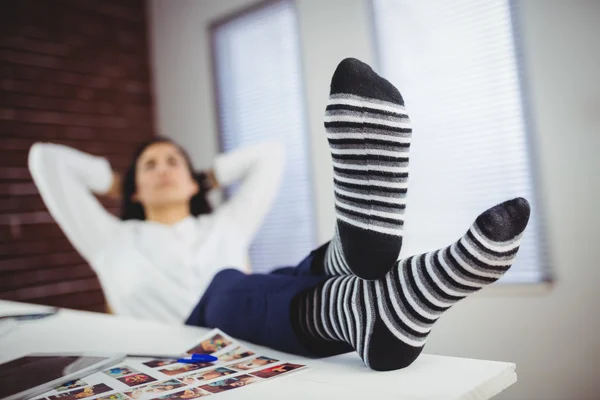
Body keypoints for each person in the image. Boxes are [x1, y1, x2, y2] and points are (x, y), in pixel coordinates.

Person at [30, 58, 531, 371]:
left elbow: (269, 153)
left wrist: (208, 176)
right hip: (193, 332)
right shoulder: (110, 237)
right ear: (133, 183)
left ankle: (356, 259)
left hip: (260, 303)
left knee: (279, 276)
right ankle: (373, 272)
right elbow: (44, 161)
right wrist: (115, 180)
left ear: (194, 178)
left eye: (173, 162)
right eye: (150, 166)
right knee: (227, 285)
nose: (162, 170)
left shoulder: (220, 223)